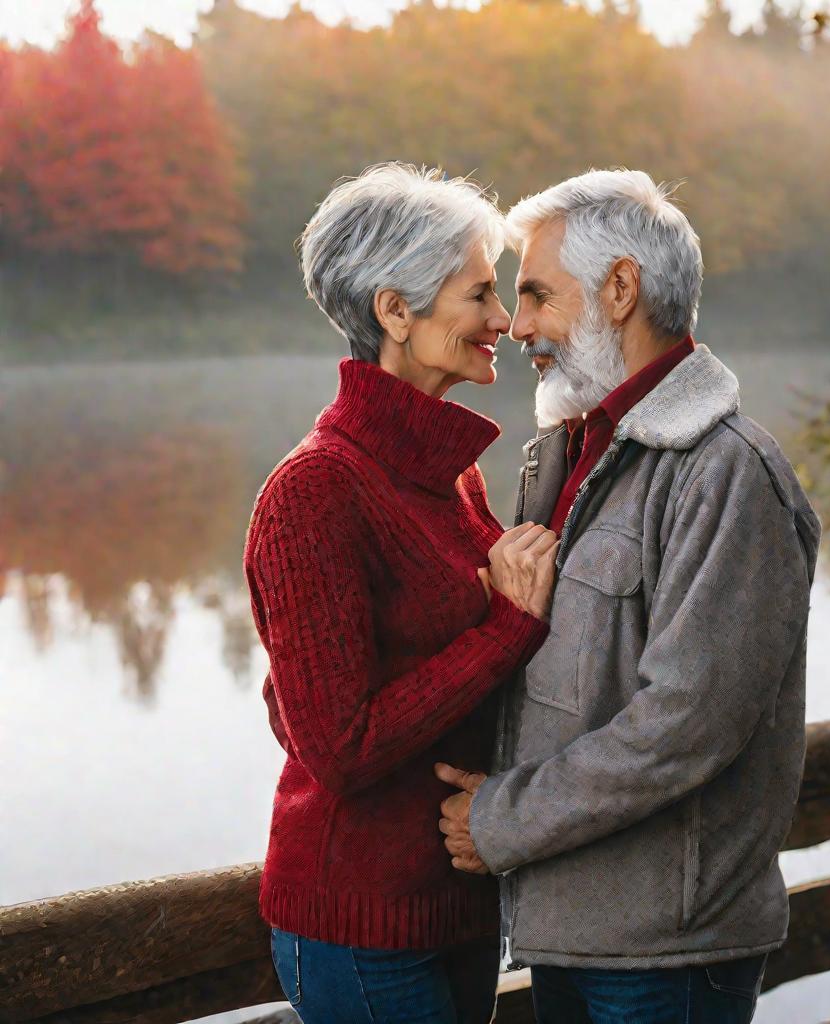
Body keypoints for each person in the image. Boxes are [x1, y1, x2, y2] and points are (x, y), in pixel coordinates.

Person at [436, 169, 822, 1024]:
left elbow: (686, 725)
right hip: (573, 929)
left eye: (537, 294)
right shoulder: (565, 455)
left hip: (666, 954)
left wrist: (501, 819)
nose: (519, 323)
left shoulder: (728, 472)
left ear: (620, 289)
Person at [243, 162, 558, 1024]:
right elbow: (338, 746)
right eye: (477, 295)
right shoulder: (314, 491)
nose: (501, 320)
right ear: (394, 311)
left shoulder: (447, 474)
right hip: (360, 924)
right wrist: (507, 627)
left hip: (458, 903)